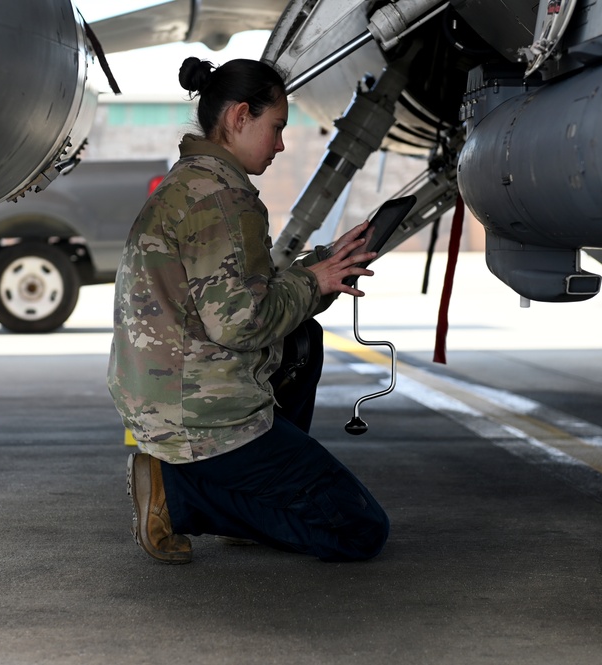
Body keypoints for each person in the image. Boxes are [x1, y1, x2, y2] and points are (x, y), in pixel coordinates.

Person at [107, 56, 390, 564]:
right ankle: (179, 496)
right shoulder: (225, 200)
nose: (281, 144)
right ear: (240, 117)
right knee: (360, 529)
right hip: (201, 415)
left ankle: (238, 496)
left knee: (304, 341)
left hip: (161, 396)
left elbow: (240, 288)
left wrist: (323, 266)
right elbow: (241, 321)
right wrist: (312, 282)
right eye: (276, 127)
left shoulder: (192, 183)